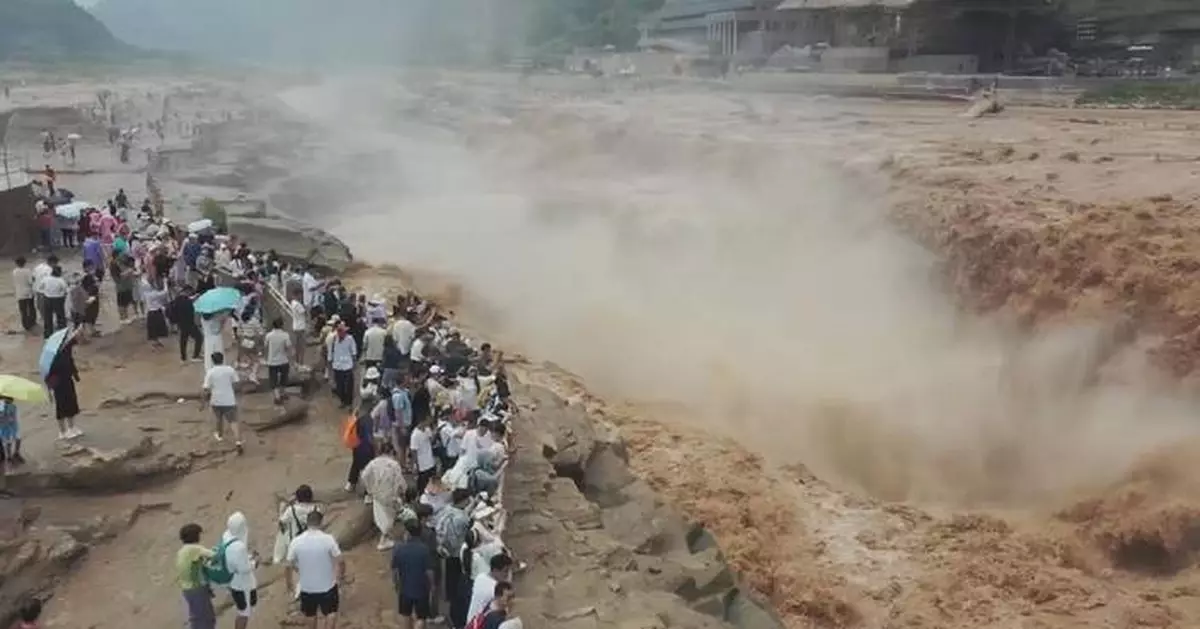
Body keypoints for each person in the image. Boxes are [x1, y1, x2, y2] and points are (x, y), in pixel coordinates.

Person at [285, 510, 344, 629]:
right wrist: (339, 576)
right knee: (331, 613)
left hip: (307, 588)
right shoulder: (328, 539)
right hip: (328, 586)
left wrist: (289, 584)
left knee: (310, 615)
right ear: (321, 523)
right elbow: (340, 561)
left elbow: (288, 565)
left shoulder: (296, 541)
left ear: (307, 523)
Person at [438, 489, 474, 628]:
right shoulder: (462, 518)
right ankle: (455, 608)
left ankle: (449, 595)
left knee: (450, 575)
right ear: (463, 500)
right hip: (458, 552)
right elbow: (468, 529)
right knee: (459, 580)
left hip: (446, 550)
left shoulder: (446, 509)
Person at [360, 441, 407, 550]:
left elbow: (364, 476)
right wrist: (403, 490)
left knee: (382, 516)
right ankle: (383, 540)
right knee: (389, 518)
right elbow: (400, 481)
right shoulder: (394, 465)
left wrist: (370, 489)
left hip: (377, 494)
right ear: (391, 451)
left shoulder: (373, 463)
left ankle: (386, 537)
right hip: (390, 494)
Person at [391, 520, 435, 629]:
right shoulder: (424, 549)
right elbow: (429, 571)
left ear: (407, 533)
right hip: (422, 590)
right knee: (421, 617)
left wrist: (396, 585)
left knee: (406, 615)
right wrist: (432, 585)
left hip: (405, 590)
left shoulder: (398, 549)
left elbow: (395, 570)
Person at [176, 523, 216, 629]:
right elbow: (214, 556)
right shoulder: (195, 549)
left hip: (186, 590)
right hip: (197, 588)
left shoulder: (181, 552)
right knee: (207, 620)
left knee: (196, 619)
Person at [222, 512, 258, 629]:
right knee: (244, 613)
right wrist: (255, 562)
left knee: (242, 610)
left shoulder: (226, 536)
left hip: (234, 582)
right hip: (243, 585)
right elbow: (244, 568)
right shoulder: (239, 547)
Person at [202, 351, 243, 452]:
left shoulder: (210, 372)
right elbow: (237, 384)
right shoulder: (230, 370)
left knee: (218, 418)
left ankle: (219, 435)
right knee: (233, 421)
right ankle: (238, 441)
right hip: (229, 400)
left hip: (216, 400)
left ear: (212, 361)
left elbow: (206, 389)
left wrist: (204, 400)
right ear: (222, 359)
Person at [273, 485, 320, 570]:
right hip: (312, 540)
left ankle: (278, 558)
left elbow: (281, 522)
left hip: (296, 541)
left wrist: (282, 509)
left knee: (282, 533)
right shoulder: (317, 509)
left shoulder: (291, 510)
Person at [46, 334, 82, 440]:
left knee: (71, 402)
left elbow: (71, 362)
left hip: (68, 381)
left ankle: (72, 427)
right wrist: (49, 391)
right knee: (61, 406)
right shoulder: (52, 356)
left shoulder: (66, 349)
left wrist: (76, 375)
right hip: (58, 384)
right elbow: (48, 374)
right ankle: (62, 431)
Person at [467, 554, 513, 626]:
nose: (507, 574)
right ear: (495, 570)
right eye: (505, 571)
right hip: (480, 624)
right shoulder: (495, 588)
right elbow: (507, 605)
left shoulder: (480, 576)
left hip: (471, 621)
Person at [170, 286, 203, 363]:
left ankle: (183, 358)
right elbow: (190, 309)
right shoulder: (186, 301)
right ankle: (195, 356)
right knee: (199, 337)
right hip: (189, 323)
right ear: (187, 291)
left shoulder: (177, 299)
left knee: (183, 340)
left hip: (181, 323)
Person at [328, 325, 357, 409]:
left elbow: (354, 352)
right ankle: (343, 401)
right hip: (337, 366)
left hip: (347, 366)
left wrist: (354, 364)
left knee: (349, 386)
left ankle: (349, 403)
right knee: (339, 386)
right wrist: (330, 366)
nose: (343, 333)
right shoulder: (333, 340)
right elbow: (330, 353)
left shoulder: (350, 339)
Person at [264, 317, 293, 404]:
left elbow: (265, 347)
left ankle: (277, 397)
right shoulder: (285, 335)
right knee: (284, 378)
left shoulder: (268, 335)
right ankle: (283, 393)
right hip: (283, 360)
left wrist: (266, 358)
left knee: (273, 379)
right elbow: (288, 347)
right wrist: (291, 357)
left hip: (272, 361)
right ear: (282, 325)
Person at [37, 266, 68, 339]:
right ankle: (62, 334)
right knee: (60, 317)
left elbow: (40, 288)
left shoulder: (46, 279)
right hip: (58, 299)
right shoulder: (61, 280)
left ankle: (47, 335)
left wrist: (46, 292)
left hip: (47, 299)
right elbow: (66, 290)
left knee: (48, 317)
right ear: (59, 273)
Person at [410, 417, 437, 494]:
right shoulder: (415, 435)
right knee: (423, 487)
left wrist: (434, 433)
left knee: (432, 484)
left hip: (431, 462)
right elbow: (413, 451)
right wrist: (416, 465)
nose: (429, 422)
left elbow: (431, 441)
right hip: (422, 466)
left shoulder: (427, 429)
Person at [143, 277, 170, 348]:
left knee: (153, 328)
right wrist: (165, 283)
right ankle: (156, 342)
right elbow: (165, 292)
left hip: (150, 312)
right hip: (156, 312)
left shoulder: (146, 293)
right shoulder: (153, 294)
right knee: (157, 327)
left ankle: (156, 341)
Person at [12, 257, 36, 333]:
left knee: (23, 310)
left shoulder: (14, 271)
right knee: (31, 308)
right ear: (24, 263)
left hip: (19, 294)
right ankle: (32, 322)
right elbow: (30, 282)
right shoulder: (27, 271)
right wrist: (33, 279)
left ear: (16, 263)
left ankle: (25, 325)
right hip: (28, 293)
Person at [0, 396, 19, 474]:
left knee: (10, 441)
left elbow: (13, 418)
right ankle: (8, 455)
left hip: (9, 427)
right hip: (5, 427)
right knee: (7, 442)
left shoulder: (12, 407)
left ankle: (10, 455)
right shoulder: (2, 406)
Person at [289, 291, 309, 367]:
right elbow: (305, 313)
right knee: (301, 347)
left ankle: (297, 362)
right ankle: (300, 363)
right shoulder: (297, 304)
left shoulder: (293, 303)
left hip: (296, 326)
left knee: (297, 346)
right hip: (300, 327)